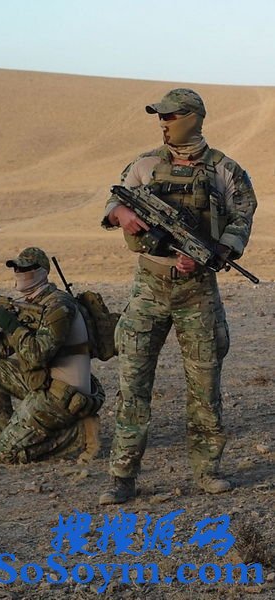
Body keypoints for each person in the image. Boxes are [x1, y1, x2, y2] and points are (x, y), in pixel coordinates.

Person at [99, 88, 257, 504]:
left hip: (197, 292)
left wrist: (212, 254)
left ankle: (208, 470)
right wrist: (122, 215)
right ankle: (122, 476)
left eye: (170, 116)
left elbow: (242, 217)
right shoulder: (145, 164)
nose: (163, 123)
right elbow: (114, 201)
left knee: (204, 385)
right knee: (133, 383)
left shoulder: (225, 170)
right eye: (160, 116)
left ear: (192, 117)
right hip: (148, 288)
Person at [0, 247, 105, 464]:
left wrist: (13, 326)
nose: (19, 272)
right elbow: (0, 349)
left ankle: (80, 434)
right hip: (44, 383)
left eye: (25, 268)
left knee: (9, 453)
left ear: (42, 271)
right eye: (16, 268)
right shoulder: (30, 305)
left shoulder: (59, 306)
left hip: (64, 394)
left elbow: (37, 355)